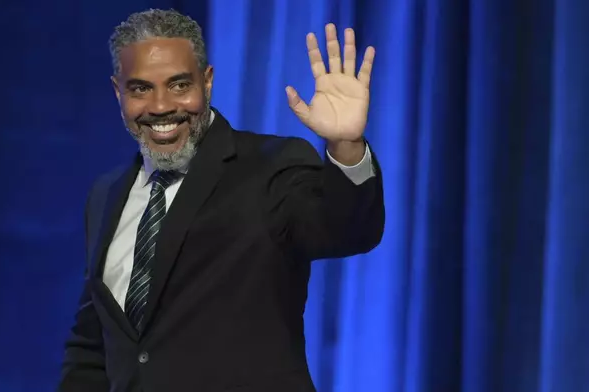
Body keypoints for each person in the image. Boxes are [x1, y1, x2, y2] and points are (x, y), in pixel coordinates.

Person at [58, 8, 385, 392]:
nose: (161, 106)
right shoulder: (106, 194)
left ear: (207, 81)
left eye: (180, 85)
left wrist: (346, 146)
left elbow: (347, 229)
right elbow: (93, 347)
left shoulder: (271, 167)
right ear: (118, 91)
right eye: (141, 88)